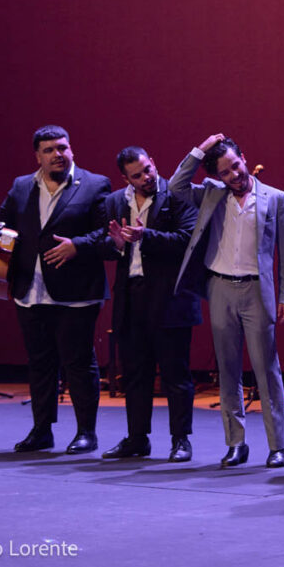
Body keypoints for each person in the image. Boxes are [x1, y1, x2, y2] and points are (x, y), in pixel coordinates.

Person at [0, 125, 111, 455]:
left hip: (77, 291)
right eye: (50, 150)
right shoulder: (22, 186)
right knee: (40, 363)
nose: (58, 154)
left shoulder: (95, 185)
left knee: (78, 362)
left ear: (72, 149)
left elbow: (107, 234)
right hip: (31, 289)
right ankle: (42, 430)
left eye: (63, 147)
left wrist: (77, 246)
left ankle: (86, 432)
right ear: (37, 156)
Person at [170, 134, 284, 468]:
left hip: (257, 290)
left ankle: (277, 444)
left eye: (236, 166)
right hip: (221, 288)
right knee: (227, 370)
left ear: (244, 157)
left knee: (266, 369)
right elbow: (175, 186)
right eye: (225, 172)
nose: (234, 175)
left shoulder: (275, 198)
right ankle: (236, 443)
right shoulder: (212, 194)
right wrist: (202, 147)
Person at [99, 147, 201, 463]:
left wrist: (146, 235)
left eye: (147, 169)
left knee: (175, 373)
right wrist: (115, 244)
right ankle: (137, 438)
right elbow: (108, 244)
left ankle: (181, 439)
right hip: (131, 297)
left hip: (170, 297)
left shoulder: (176, 194)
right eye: (137, 175)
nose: (146, 177)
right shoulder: (115, 202)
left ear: (154, 162)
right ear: (125, 178)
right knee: (135, 374)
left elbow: (188, 238)